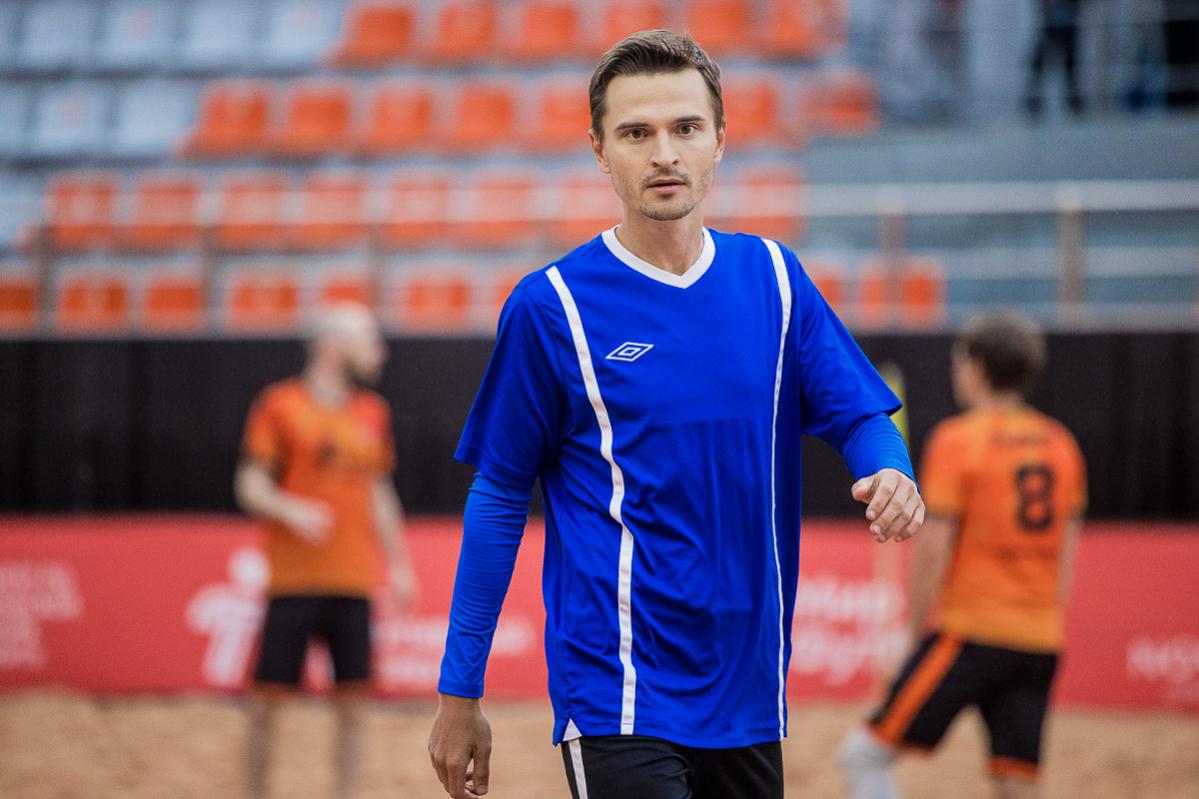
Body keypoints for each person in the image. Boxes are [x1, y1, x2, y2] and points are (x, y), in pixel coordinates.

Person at [426, 29, 924, 799]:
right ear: (599, 150)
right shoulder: (551, 307)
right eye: (636, 133)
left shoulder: (775, 279)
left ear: (719, 139)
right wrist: (460, 690)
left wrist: (889, 467)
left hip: (750, 687)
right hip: (617, 686)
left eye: (684, 128)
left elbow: (858, 415)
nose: (663, 153)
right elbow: (498, 495)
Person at [838, 312, 1087, 799]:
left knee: (863, 754)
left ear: (976, 366)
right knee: (1015, 781)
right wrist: (1046, 616)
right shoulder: (1061, 445)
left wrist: (913, 636)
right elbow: (1067, 551)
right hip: (1040, 638)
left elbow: (933, 549)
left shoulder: (958, 440)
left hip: (971, 635)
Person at [234, 303, 417, 799]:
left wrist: (400, 565)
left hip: (353, 581)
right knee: (266, 704)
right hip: (293, 581)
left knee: (354, 706)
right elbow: (249, 483)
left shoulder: (373, 412)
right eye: (370, 340)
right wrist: (287, 507)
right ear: (333, 346)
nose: (380, 351)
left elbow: (379, 491)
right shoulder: (280, 405)